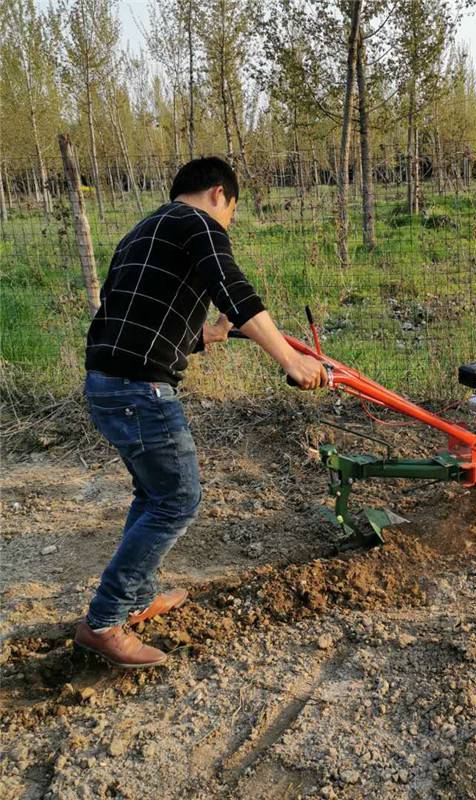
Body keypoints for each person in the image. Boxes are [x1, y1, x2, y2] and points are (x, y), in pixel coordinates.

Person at [75, 157, 326, 668]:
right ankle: (103, 622)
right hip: (138, 388)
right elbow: (234, 291)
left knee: (154, 494)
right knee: (179, 499)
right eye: (231, 212)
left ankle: (136, 596)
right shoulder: (198, 223)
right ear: (218, 194)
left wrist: (204, 334)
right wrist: (292, 360)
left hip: (105, 381)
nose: (226, 223)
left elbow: (138, 314)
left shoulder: (143, 230)